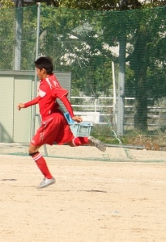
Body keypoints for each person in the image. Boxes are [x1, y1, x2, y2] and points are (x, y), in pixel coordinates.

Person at [17, 56, 106, 189]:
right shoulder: (50, 80)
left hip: (51, 119)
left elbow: (63, 98)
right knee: (70, 142)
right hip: (59, 117)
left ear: (42, 70)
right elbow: (41, 98)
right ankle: (88, 139)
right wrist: (26, 104)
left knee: (32, 149)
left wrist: (72, 115)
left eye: (37, 70)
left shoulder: (49, 84)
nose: (36, 72)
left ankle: (48, 177)